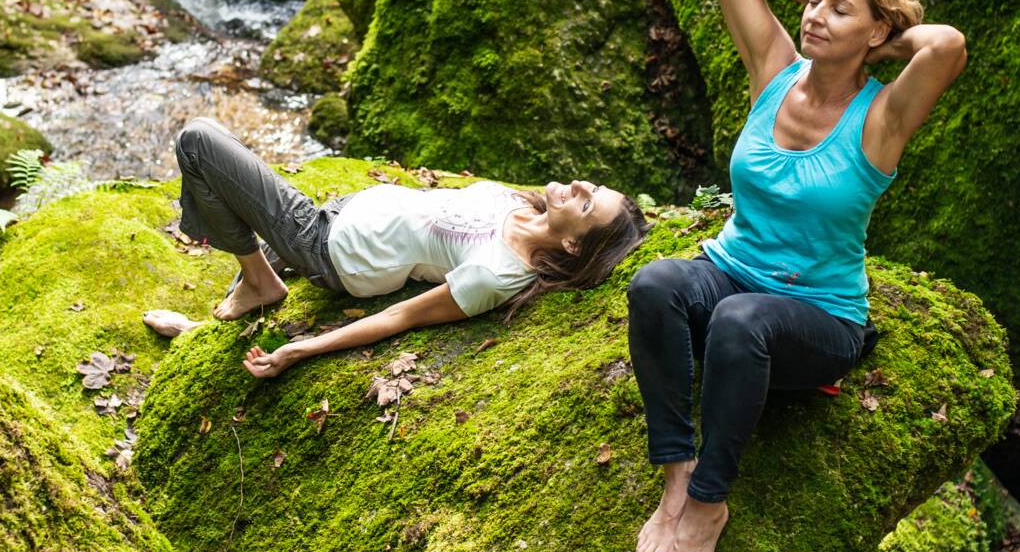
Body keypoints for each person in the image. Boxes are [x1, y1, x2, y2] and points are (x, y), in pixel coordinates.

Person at [627, 0, 967, 552]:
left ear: (878, 30)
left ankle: (707, 504)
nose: (814, 14)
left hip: (819, 318)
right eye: (813, 1)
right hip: (731, 269)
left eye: (838, 9)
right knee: (656, 284)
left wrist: (880, 35)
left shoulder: (884, 117)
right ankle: (676, 469)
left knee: (738, 321)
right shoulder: (773, 70)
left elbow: (947, 45)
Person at [141, 118, 648, 377]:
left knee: (198, 141)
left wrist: (300, 350)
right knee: (226, 190)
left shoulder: (496, 274)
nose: (580, 184)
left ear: (573, 247)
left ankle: (259, 284)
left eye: (587, 204)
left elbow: (400, 318)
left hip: (327, 244)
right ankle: (211, 321)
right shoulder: (523, 202)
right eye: (593, 187)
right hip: (344, 211)